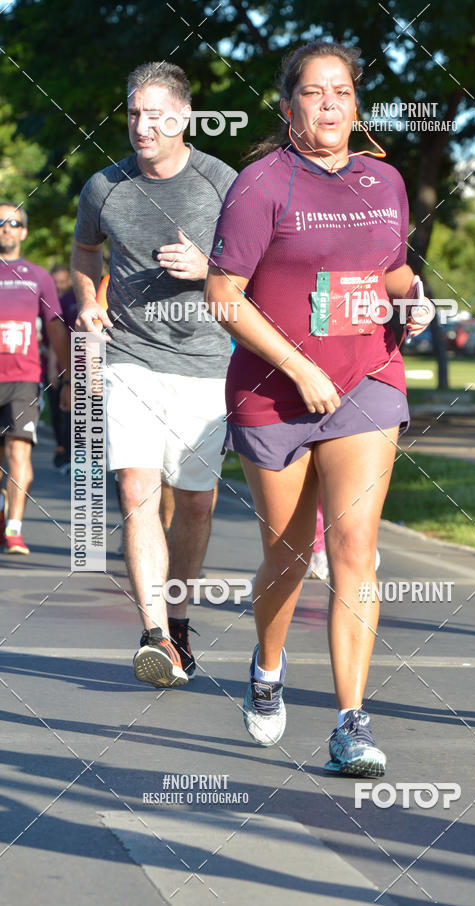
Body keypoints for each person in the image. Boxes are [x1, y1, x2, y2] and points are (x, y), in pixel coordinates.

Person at [206, 41, 427, 777]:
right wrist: (298, 367)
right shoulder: (261, 184)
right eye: (313, 92)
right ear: (287, 104)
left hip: (368, 378)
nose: (329, 104)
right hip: (273, 393)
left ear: (356, 104)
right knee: (290, 553)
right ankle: (267, 667)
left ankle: (350, 723)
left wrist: (414, 298)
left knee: (354, 548)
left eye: (342, 92)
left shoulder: (384, 180)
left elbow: (392, 269)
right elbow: (223, 296)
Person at [72, 62, 236, 687]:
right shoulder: (104, 187)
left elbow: (259, 265)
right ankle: (155, 637)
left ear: (184, 117)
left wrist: (207, 267)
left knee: (195, 503)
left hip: (206, 362)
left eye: (156, 114)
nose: (141, 125)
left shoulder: (222, 182)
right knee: (137, 491)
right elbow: (85, 250)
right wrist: (88, 299)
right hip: (130, 357)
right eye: (134, 113)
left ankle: (180, 622)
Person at [0, 203, 70, 553]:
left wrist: (67, 376)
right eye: (0, 222)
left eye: (13, 222)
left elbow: (55, 327)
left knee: (18, 450)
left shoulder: (39, 276)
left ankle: (13, 529)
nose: (6, 227)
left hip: (24, 377)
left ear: (23, 232)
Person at [47, 265, 77, 472]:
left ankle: (70, 455)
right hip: (60, 366)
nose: (59, 286)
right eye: (55, 282)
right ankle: (62, 450)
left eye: (62, 282)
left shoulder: (74, 299)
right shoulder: (50, 302)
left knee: (74, 413)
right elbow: (54, 337)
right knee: (58, 411)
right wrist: (52, 368)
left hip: (82, 365)